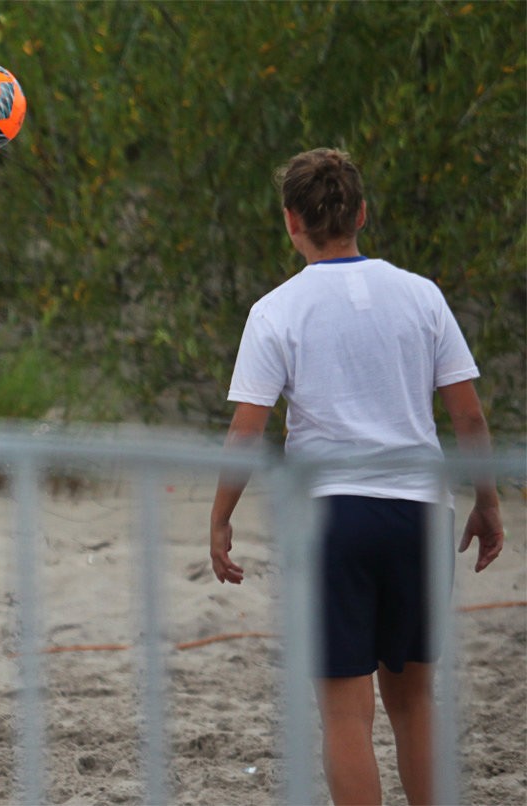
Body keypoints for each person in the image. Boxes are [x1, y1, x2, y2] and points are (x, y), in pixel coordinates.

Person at [208, 148, 504, 805]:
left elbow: (247, 431)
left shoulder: (277, 310)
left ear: (291, 221)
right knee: (415, 702)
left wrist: (220, 515)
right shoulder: (422, 296)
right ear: (362, 213)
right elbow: (469, 418)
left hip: (333, 518)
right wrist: (487, 499)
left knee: (346, 714)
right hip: (421, 511)